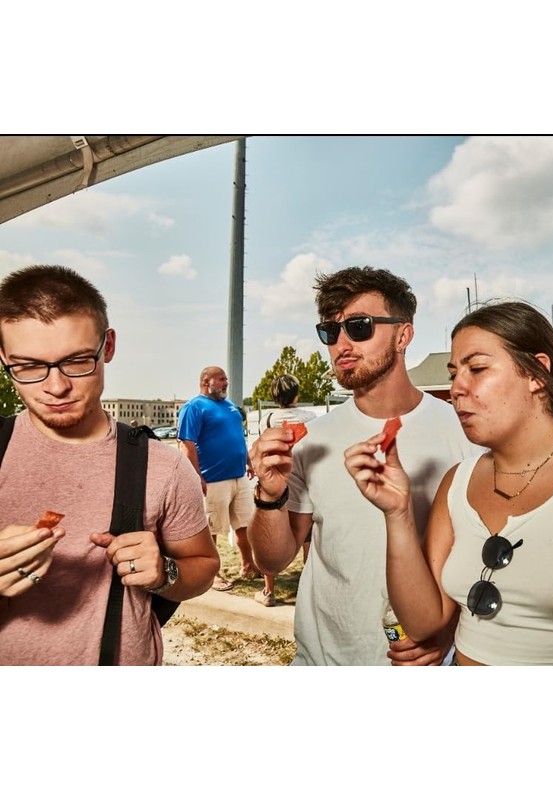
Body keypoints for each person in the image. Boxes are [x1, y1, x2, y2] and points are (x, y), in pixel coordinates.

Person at [344, 300, 553, 665]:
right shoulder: (457, 483)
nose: (456, 389)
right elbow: (423, 622)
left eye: (477, 368)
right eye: (453, 374)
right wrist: (397, 512)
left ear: (536, 374)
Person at [247, 266, 480, 665]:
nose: (341, 344)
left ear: (403, 335)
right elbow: (272, 560)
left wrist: (447, 630)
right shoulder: (312, 441)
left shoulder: (462, 432)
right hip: (324, 659)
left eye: (359, 327)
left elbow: (482, 557)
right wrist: (269, 496)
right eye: (330, 331)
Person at [0, 264, 218, 665]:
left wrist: (165, 572)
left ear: (109, 346)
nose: (56, 386)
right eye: (28, 366)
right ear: (3, 356)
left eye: (78, 360)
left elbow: (203, 566)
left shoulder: (162, 467)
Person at [178, 366, 257, 592]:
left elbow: (238, 438)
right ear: (206, 381)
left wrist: (248, 461)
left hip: (238, 477)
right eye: (221, 379)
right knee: (211, 530)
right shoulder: (194, 407)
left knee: (244, 525)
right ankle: (212, 575)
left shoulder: (230, 406)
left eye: (226, 379)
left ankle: (248, 565)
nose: (226, 383)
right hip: (213, 480)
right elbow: (187, 444)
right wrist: (197, 476)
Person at [258, 373, 318, 569]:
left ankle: (269, 589)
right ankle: (307, 575)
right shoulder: (310, 417)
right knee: (307, 531)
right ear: (296, 395)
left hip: (278, 479)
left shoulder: (267, 419)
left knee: (273, 529)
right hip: (306, 478)